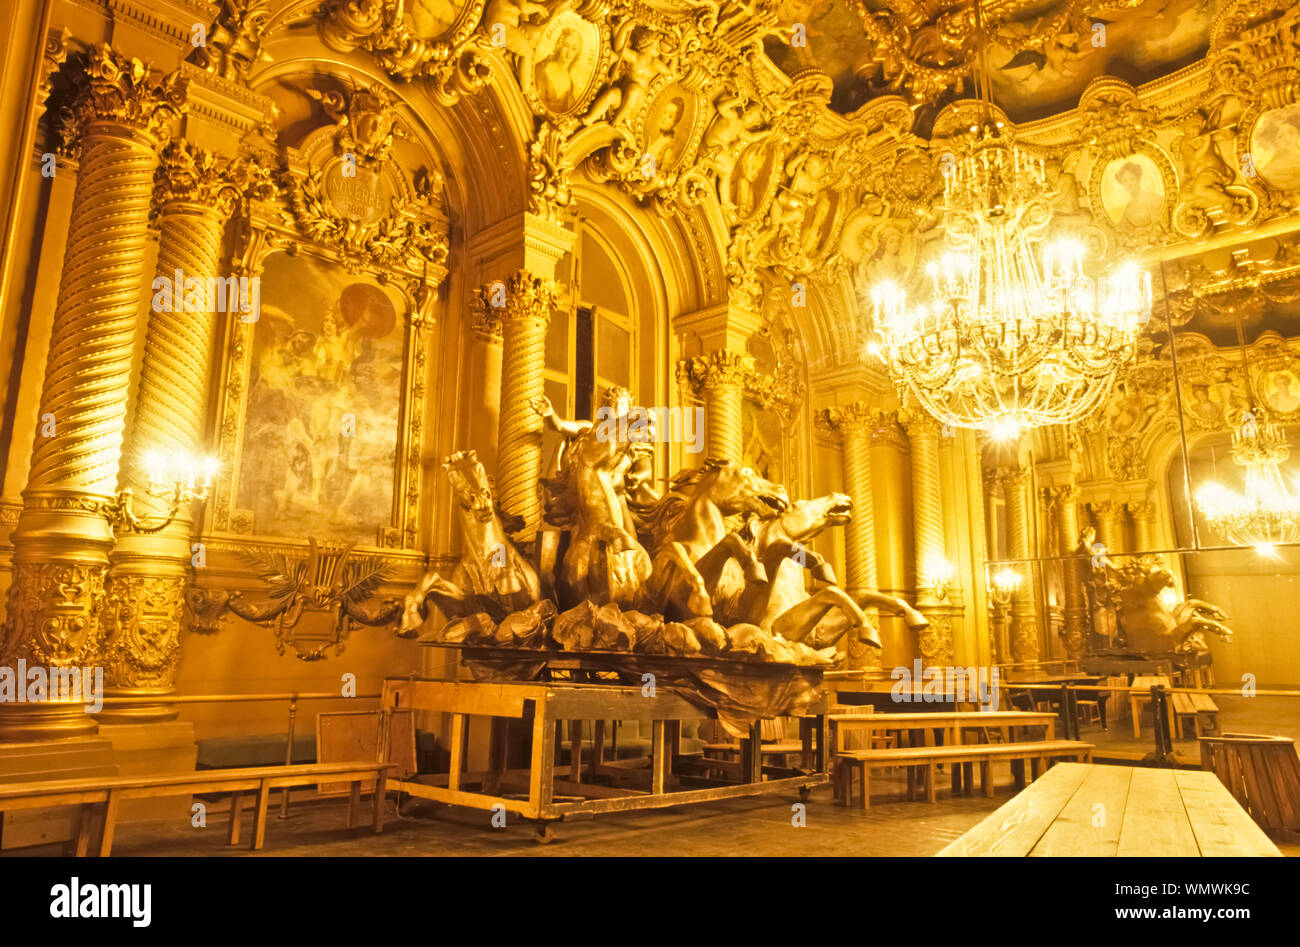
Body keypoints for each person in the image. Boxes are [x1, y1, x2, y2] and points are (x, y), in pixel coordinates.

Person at [1113, 161, 1165, 232]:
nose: (1129, 184)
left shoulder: (1152, 199)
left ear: (1138, 180)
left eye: (1132, 179)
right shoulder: (1129, 207)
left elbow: (1160, 228)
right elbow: (1120, 231)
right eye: (1125, 181)